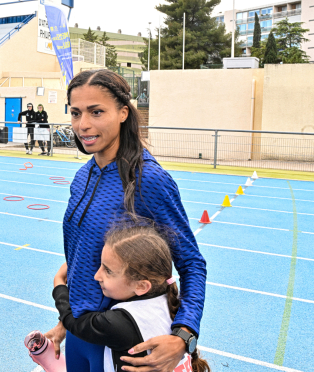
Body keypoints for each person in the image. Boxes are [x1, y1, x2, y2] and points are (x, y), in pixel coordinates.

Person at [45, 69, 206, 372]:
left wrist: (185, 336)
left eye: (96, 112)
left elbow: (192, 264)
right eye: (76, 113)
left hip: (122, 341)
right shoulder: (83, 176)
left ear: (122, 113)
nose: (83, 125)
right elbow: (82, 261)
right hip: (80, 335)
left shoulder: (150, 179)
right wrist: (64, 322)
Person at [53, 225, 210, 372]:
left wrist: (59, 284)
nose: (96, 276)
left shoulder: (120, 323)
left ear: (141, 286)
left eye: (107, 271)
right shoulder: (169, 300)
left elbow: (74, 323)